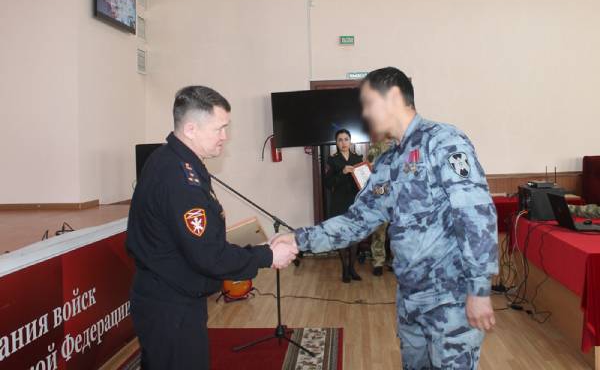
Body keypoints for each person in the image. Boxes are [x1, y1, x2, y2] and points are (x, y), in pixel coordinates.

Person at [272, 67, 498, 369]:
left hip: (451, 299)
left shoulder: (443, 141)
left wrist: (479, 290)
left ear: (393, 96)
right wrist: (298, 239)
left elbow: (476, 215)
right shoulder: (388, 161)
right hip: (410, 299)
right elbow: (357, 220)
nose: (365, 113)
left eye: (368, 103)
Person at [126, 86, 298, 370]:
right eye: (219, 128)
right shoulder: (179, 179)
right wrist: (268, 255)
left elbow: (192, 240)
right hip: (171, 305)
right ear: (191, 129)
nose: (225, 137)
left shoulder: (171, 160)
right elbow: (208, 256)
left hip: (169, 294)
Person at [324, 129, 364, 283]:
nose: (343, 143)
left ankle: (352, 268)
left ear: (350, 141)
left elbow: (363, 181)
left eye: (346, 139)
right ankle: (345, 270)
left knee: (354, 238)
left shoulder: (357, 158)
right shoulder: (332, 160)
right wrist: (342, 172)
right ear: (336, 143)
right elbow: (328, 183)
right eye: (340, 140)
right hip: (339, 203)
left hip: (355, 202)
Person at [366, 136, 394, 276]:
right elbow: (369, 166)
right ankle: (378, 262)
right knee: (379, 232)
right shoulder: (377, 146)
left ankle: (395, 261)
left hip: (399, 196)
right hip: (380, 195)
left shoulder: (406, 144)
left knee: (398, 232)